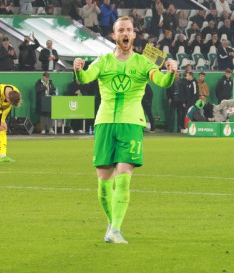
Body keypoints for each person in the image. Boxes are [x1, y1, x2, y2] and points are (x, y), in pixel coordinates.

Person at [73, 16, 178, 244]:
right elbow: (86, 78)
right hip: (104, 123)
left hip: (131, 123)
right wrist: (79, 70)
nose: (125, 33)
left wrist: (170, 73)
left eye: (129, 30)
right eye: (121, 30)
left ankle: (117, 229)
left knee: (123, 178)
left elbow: (161, 82)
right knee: (103, 184)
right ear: (114, 35)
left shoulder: (143, 62)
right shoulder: (102, 61)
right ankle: (112, 223)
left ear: (134, 35)